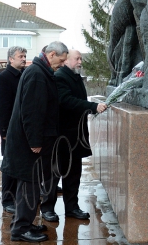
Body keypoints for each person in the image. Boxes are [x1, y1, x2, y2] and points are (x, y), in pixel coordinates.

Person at [1, 41, 69, 242]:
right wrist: (35, 141)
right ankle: (21, 229)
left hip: (29, 142)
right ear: (52, 54)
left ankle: (24, 223)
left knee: (29, 185)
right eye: (61, 60)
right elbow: (32, 112)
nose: (62, 65)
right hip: (29, 143)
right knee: (29, 186)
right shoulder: (38, 74)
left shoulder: (39, 71)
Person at [40, 50, 107, 222]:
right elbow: (66, 100)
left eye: (81, 59)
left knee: (73, 175)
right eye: (77, 59)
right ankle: (47, 208)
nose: (80, 62)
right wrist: (93, 106)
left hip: (75, 137)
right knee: (54, 175)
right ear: (67, 60)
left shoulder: (75, 76)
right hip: (61, 136)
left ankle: (72, 207)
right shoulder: (61, 76)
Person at [0, 46, 27, 214]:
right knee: (8, 167)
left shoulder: (24, 75)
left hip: (23, 130)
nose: (23, 58)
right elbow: (1, 107)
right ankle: (7, 200)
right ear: (10, 59)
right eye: (20, 56)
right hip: (10, 131)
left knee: (19, 165)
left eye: (25, 56)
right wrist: (4, 132)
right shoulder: (4, 78)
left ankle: (19, 197)